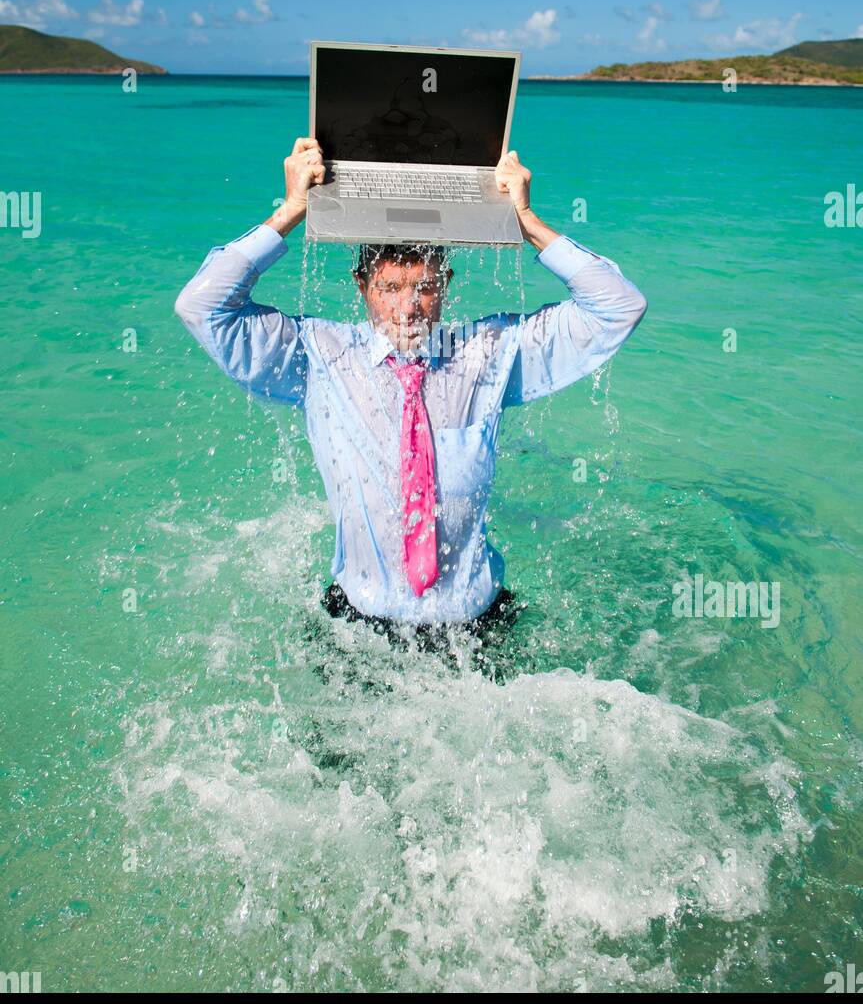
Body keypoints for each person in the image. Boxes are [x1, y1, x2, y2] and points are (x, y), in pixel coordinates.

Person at [174, 138, 647, 650]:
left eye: (423, 286)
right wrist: (291, 212)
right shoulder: (319, 357)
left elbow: (617, 307)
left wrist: (526, 220)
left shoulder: (486, 354)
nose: (408, 308)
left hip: (478, 622)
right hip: (359, 624)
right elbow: (203, 308)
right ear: (362, 287)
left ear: (445, 283)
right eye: (390, 287)